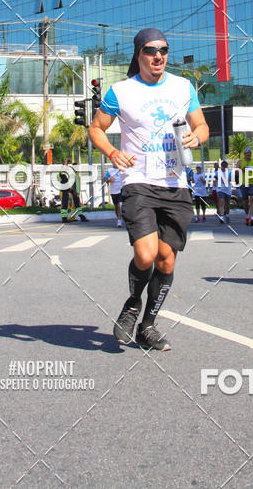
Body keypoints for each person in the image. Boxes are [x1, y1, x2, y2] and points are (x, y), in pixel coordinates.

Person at [88, 28, 209, 351]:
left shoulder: (183, 87)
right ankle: (132, 304)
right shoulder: (121, 91)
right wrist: (112, 152)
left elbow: (202, 125)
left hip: (175, 184)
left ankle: (148, 326)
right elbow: (96, 128)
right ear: (139, 54)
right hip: (138, 182)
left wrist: (197, 136)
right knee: (146, 254)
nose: (158, 56)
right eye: (151, 50)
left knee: (166, 261)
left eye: (164, 50)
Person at [58, 158, 87, 223]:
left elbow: (75, 183)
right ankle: (64, 218)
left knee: (77, 204)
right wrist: (66, 162)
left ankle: (80, 216)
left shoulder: (75, 173)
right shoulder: (65, 171)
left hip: (72, 190)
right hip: (65, 189)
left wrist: (77, 192)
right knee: (65, 204)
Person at [242, 147, 253, 226]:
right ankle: (247, 215)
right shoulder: (240, 162)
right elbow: (236, 172)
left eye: (249, 153)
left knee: (252, 199)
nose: (248, 154)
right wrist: (242, 170)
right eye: (247, 153)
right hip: (244, 183)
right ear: (244, 154)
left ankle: (252, 218)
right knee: (245, 202)